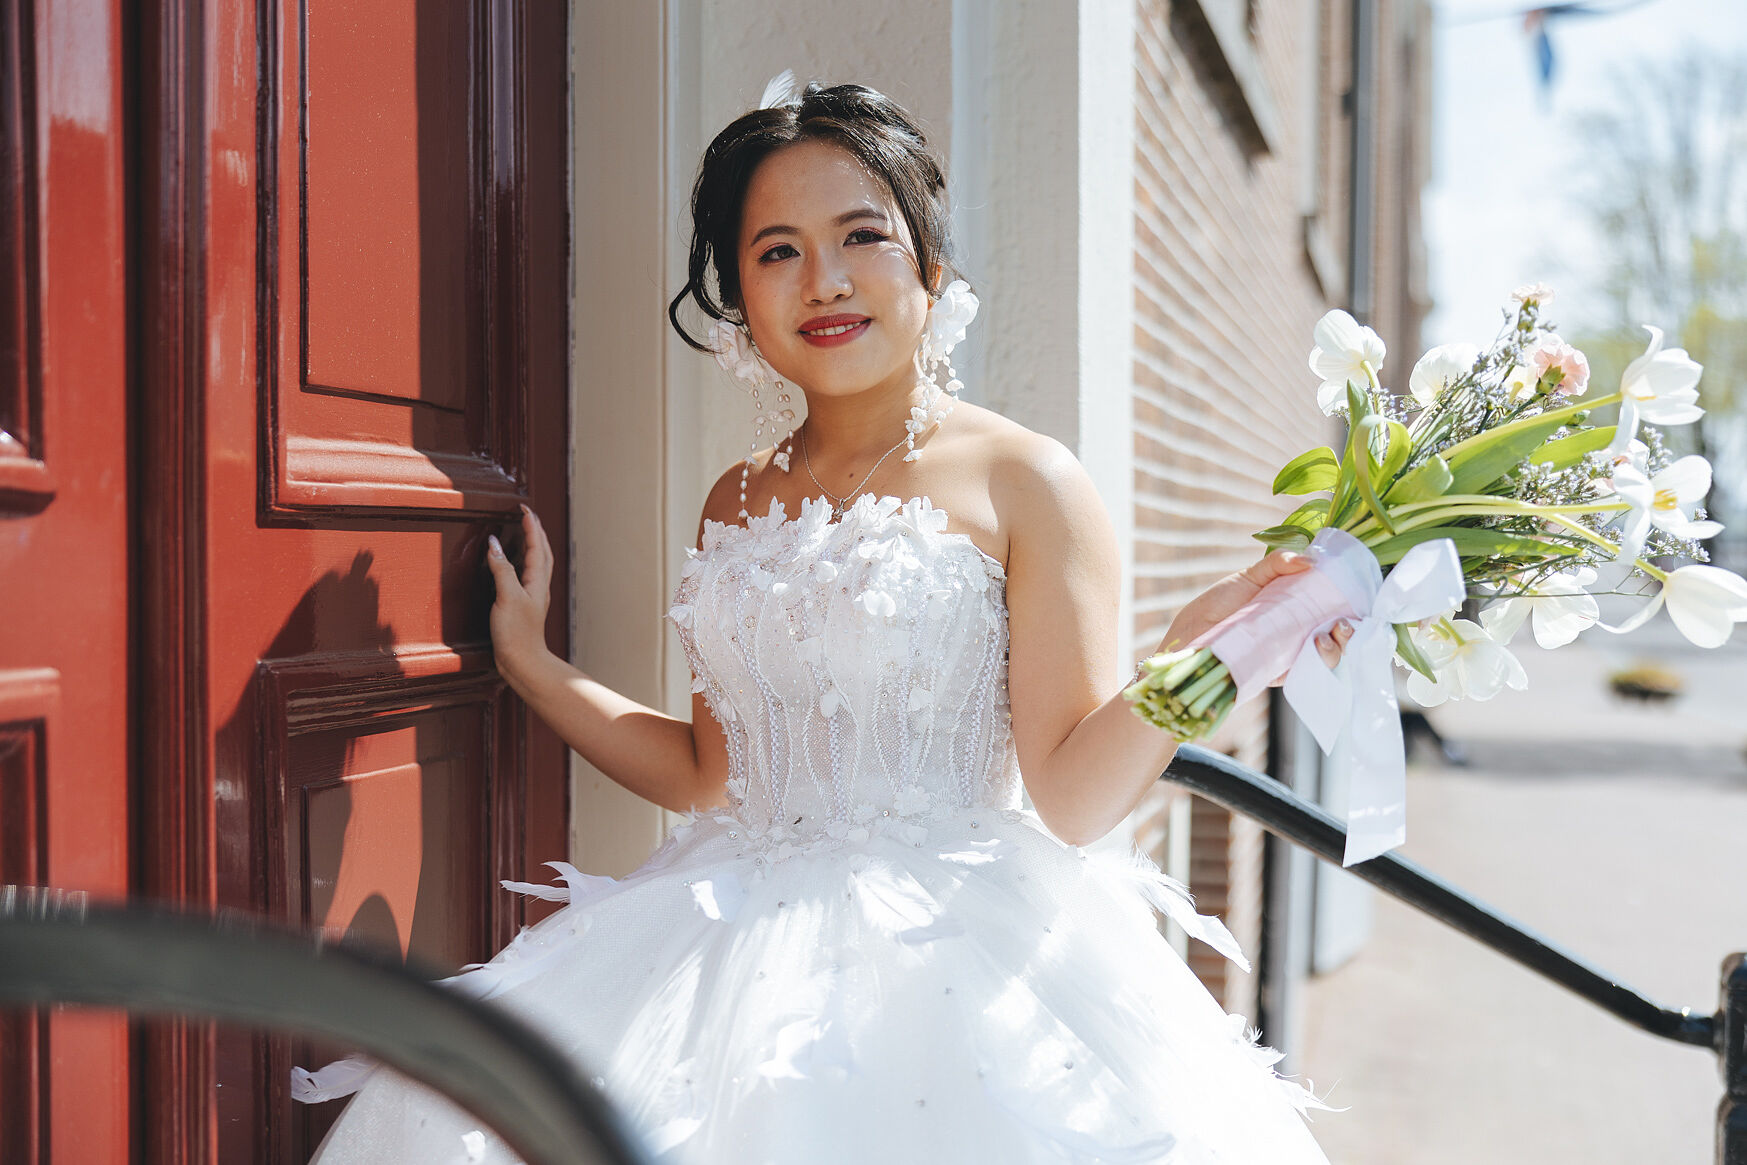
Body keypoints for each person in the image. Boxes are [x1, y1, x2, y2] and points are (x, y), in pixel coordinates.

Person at [295, 76, 1356, 1164]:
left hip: (949, 963)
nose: (826, 280)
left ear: (929, 267)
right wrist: (532, 665)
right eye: (777, 251)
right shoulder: (736, 497)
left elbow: (1076, 796)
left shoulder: (1025, 479)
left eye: (862, 236)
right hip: (716, 945)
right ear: (738, 301)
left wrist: (1202, 649)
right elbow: (706, 771)